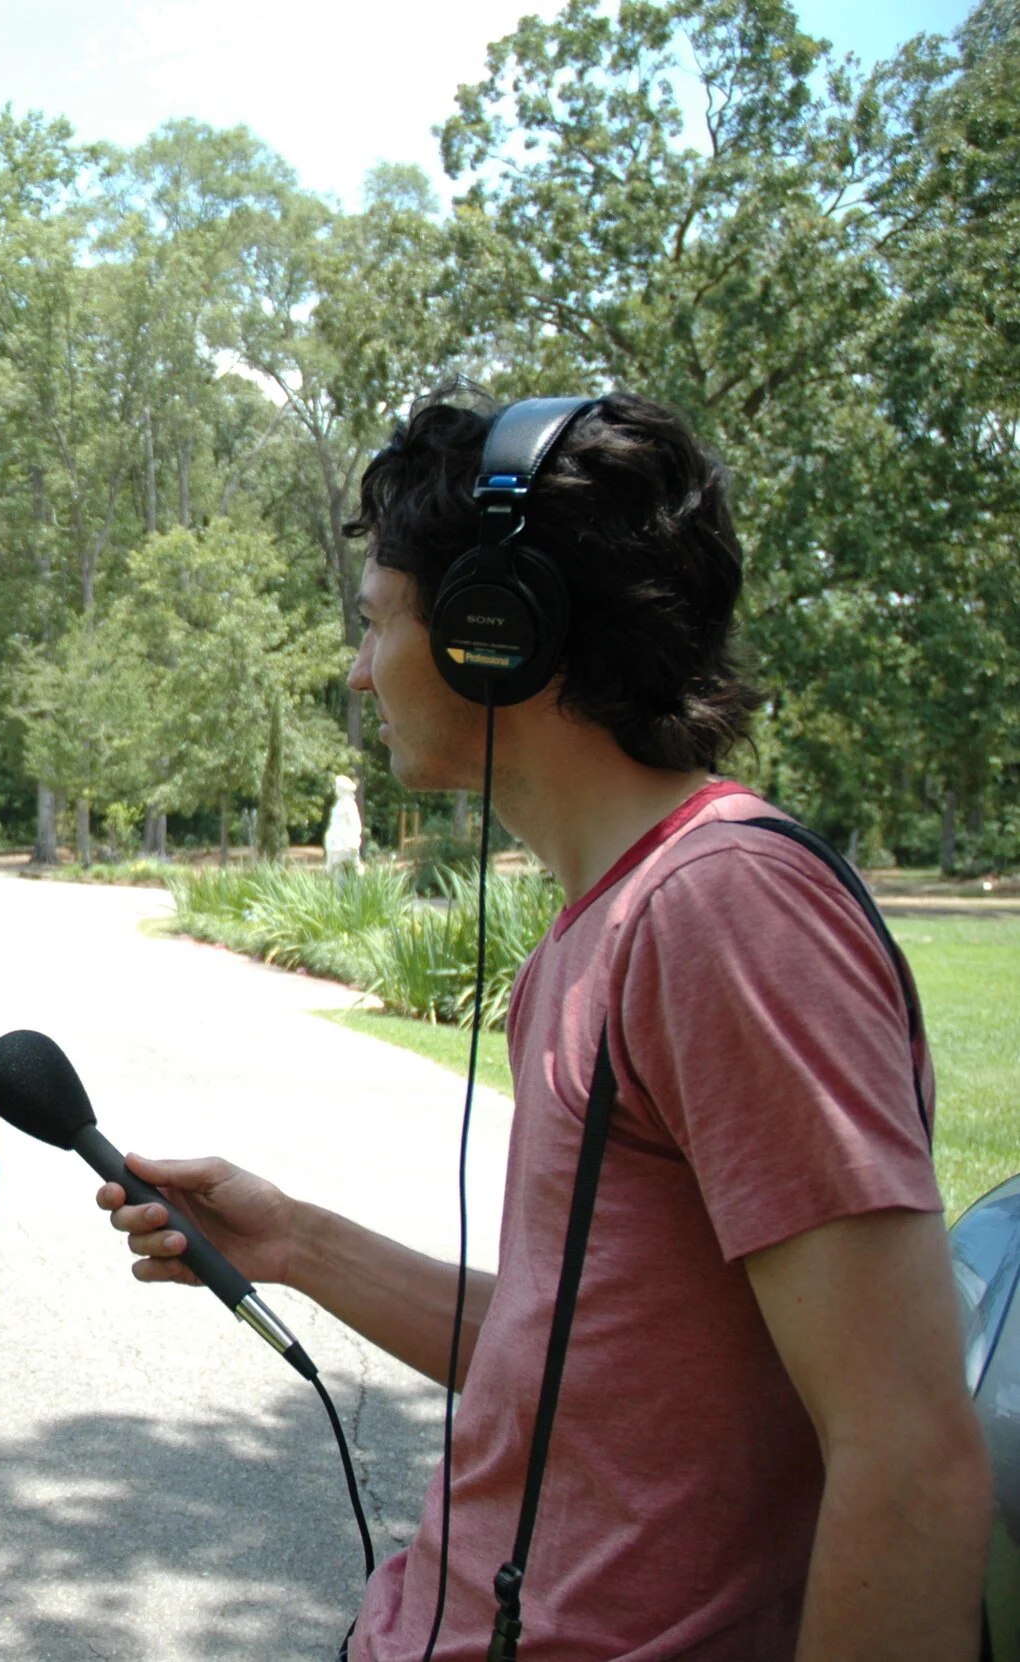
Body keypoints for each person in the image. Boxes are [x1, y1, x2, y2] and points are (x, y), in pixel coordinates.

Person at [101, 392, 990, 1659]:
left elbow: (907, 1458)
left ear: (492, 631)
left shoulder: (725, 912)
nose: (358, 671)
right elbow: (574, 1355)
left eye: (374, 623)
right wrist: (294, 1241)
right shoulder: (606, 925)